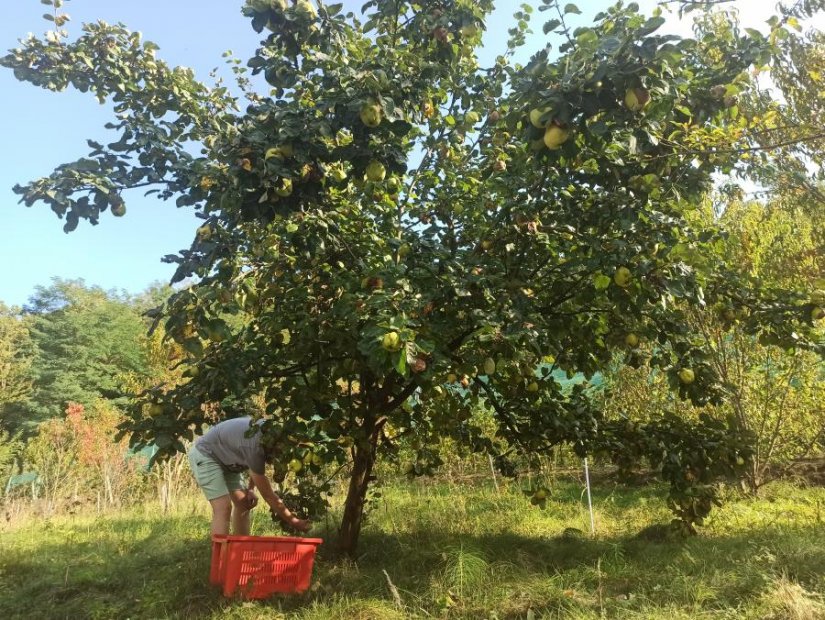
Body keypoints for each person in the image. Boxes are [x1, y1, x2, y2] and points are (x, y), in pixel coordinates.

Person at [187, 416, 310, 536]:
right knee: (223, 508)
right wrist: (294, 521)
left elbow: (256, 467)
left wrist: (250, 489)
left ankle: (240, 551)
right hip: (206, 453)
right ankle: (220, 555)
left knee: (244, 503)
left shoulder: (269, 432)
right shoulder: (255, 445)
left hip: (228, 459)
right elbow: (268, 495)